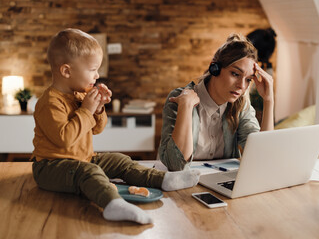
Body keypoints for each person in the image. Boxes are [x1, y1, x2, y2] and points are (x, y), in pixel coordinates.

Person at [31, 28, 200, 225]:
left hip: (83, 159)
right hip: (51, 167)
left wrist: (98, 108)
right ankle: (112, 204)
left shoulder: (78, 96)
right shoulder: (50, 102)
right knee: (89, 173)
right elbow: (65, 139)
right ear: (66, 71)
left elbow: (96, 129)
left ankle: (162, 180)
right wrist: (86, 109)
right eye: (92, 69)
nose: (97, 76)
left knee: (119, 160)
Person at [159, 33, 274, 171]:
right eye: (235, 74)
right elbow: (176, 165)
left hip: (220, 181)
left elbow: (262, 157)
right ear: (215, 68)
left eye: (248, 79)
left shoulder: (241, 105)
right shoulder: (180, 99)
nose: (242, 86)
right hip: (183, 183)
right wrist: (186, 106)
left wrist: (268, 100)